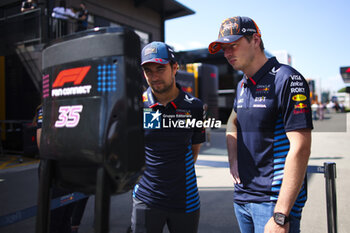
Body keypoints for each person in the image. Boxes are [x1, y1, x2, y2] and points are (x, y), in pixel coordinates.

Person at [208, 16, 313, 233]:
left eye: (233, 46)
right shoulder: (242, 84)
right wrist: (233, 158)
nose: (227, 54)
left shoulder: (287, 78)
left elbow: (301, 147)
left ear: (255, 40)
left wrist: (281, 215)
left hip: (273, 202)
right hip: (243, 199)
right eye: (223, 49)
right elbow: (232, 122)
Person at [131, 41, 205, 233]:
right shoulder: (136, 106)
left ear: (174, 68)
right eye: (148, 71)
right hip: (145, 199)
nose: (154, 76)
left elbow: (194, 151)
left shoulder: (194, 107)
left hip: (185, 200)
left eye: (160, 68)